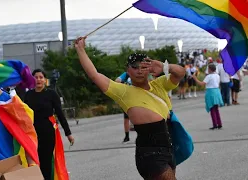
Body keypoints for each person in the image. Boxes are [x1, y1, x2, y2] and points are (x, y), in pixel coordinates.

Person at [75, 37, 185, 179]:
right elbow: (94, 75)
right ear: (127, 70)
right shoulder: (123, 91)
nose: (139, 71)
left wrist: (166, 67)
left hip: (168, 150)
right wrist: (80, 49)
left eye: (143, 67)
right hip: (149, 154)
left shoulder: (160, 84)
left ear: (150, 68)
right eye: (135, 67)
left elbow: (180, 73)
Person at [24, 69, 74, 180]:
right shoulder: (28, 95)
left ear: (45, 80)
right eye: (35, 77)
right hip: (32, 133)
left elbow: (60, 114)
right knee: (33, 161)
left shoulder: (51, 94)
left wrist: (68, 133)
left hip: (47, 132)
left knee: (46, 162)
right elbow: (23, 115)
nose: (38, 80)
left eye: (41, 77)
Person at [192, 64, 224, 130]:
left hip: (210, 92)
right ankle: (219, 123)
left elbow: (202, 84)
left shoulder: (209, 76)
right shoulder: (217, 75)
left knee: (212, 109)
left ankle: (215, 124)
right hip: (217, 91)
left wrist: (195, 79)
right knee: (216, 109)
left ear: (210, 69)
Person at [115, 72, 132, 143]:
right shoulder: (126, 74)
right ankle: (127, 136)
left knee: (138, 119)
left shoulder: (140, 73)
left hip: (137, 98)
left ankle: (140, 136)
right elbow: (117, 80)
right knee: (126, 119)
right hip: (127, 100)